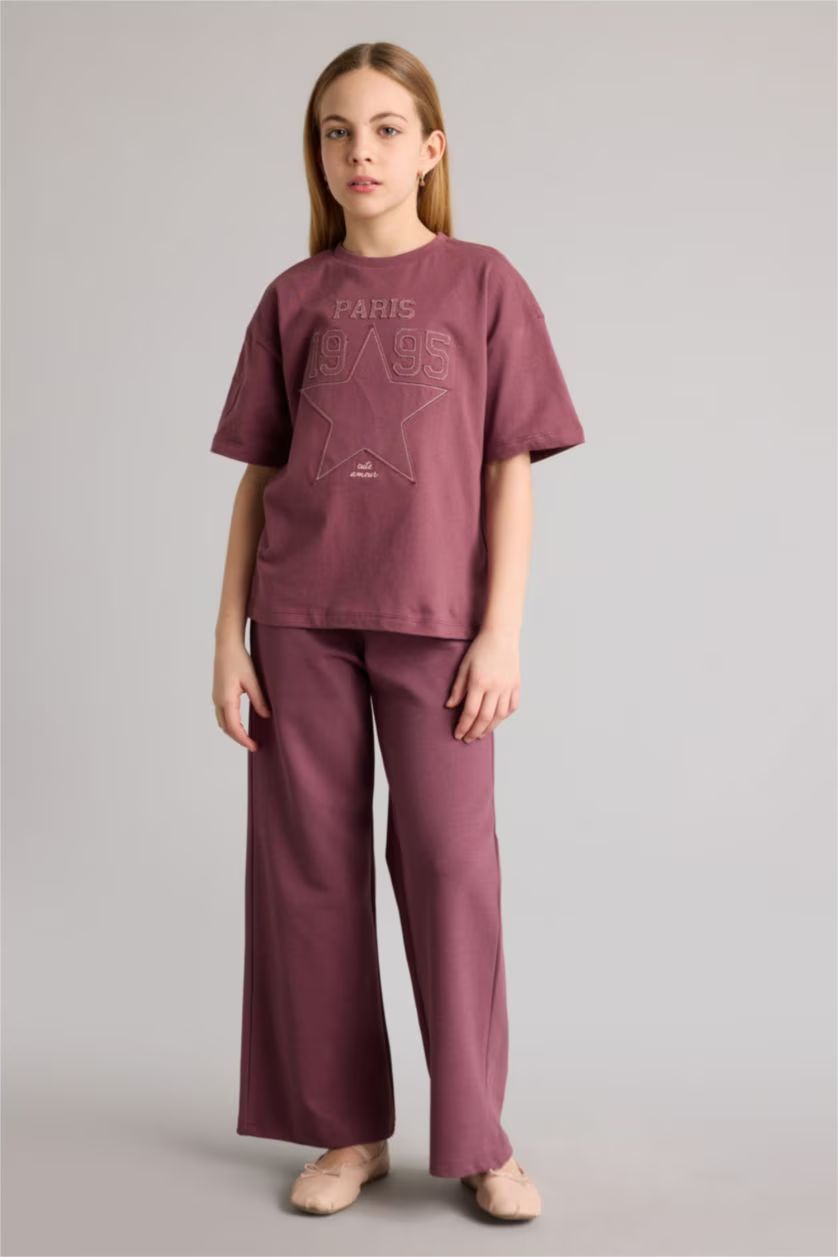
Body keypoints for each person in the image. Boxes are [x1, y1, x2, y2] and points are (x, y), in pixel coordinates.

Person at [209, 40, 585, 1223]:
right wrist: (227, 637)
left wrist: (500, 631)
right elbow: (259, 478)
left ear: (430, 149)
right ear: (317, 155)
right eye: (336, 131)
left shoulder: (484, 284)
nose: (358, 152)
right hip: (300, 620)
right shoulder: (293, 298)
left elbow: (510, 470)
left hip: (437, 627)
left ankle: (479, 1139)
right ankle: (346, 1131)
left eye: (382, 129)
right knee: (309, 874)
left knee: (450, 867)